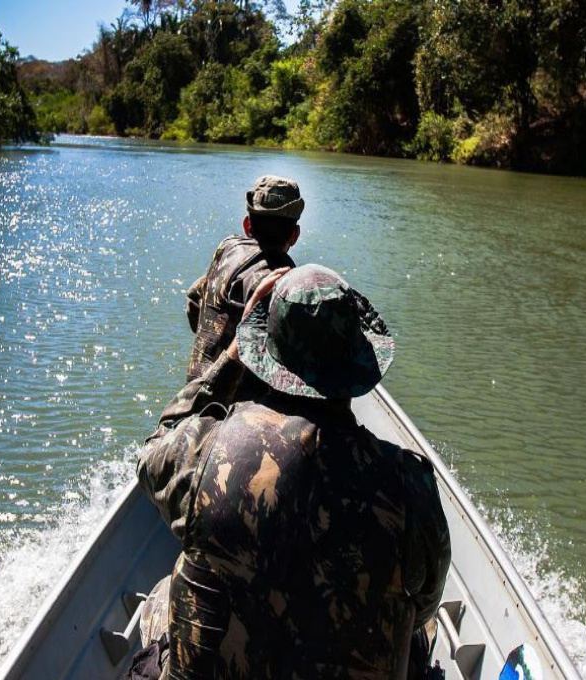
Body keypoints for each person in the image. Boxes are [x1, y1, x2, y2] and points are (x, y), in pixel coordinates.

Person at [138, 264, 451, 680]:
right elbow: (425, 601)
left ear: (265, 355)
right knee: (422, 627)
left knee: (161, 598)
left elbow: (154, 452)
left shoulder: (206, 451)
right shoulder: (410, 487)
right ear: (357, 364)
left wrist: (231, 356)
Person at [184, 175, 303, 383]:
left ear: (248, 225)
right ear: (294, 235)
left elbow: (194, 298)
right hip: (231, 407)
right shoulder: (279, 281)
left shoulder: (228, 247)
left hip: (192, 391)